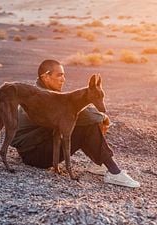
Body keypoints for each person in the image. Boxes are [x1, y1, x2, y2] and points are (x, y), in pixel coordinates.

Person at [10, 59, 140, 188]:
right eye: (59, 75)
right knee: (87, 126)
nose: (63, 79)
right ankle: (114, 172)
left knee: (81, 122)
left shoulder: (43, 93)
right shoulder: (42, 97)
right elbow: (86, 115)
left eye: (64, 75)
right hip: (36, 155)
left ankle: (99, 163)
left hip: (34, 150)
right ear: (45, 77)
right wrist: (104, 117)